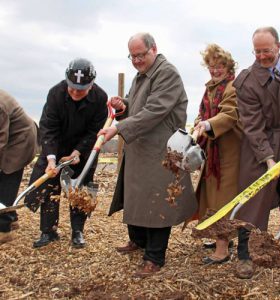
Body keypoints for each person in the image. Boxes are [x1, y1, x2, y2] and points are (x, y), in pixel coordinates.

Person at [99, 32, 197, 278]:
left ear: (154, 49)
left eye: (140, 55)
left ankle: (155, 256)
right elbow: (136, 103)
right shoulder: (142, 75)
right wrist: (123, 105)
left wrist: (119, 127)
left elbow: (155, 111)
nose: (136, 60)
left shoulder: (167, 73)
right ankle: (138, 241)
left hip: (162, 150)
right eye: (132, 56)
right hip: (142, 147)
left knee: (157, 202)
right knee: (137, 196)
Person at [233, 26, 280, 279]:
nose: (261, 57)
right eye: (257, 51)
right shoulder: (247, 81)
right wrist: (269, 160)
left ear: (279, 47)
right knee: (251, 201)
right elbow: (252, 125)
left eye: (267, 51)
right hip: (259, 146)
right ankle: (244, 256)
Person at [25, 58, 108, 248]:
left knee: (82, 191)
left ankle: (77, 231)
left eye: (81, 89)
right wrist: (51, 159)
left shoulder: (100, 98)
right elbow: (48, 128)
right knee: (48, 188)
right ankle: (48, 231)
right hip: (57, 145)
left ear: (91, 85)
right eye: (72, 88)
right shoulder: (55, 93)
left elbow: (95, 131)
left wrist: (78, 151)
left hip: (84, 150)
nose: (76, 92)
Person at [191, 44, 242, 264]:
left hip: (230, 151)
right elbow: (202, 113)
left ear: (228, 66)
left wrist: (208, 124)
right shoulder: (211, 87)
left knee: (223, 198)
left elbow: (230, 114)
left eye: (219, 66)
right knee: (212, 195)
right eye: (211, 66)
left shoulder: (233, 86)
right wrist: (197, 125)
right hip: (212, 151)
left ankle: (222, 251)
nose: (215, 70)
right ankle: (222, 239)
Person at [0, 89, 39, 244]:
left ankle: (4, 230)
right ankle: (12, 218)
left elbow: (0, 139)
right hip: (11, 137)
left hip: (20, 141)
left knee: (7, 180)